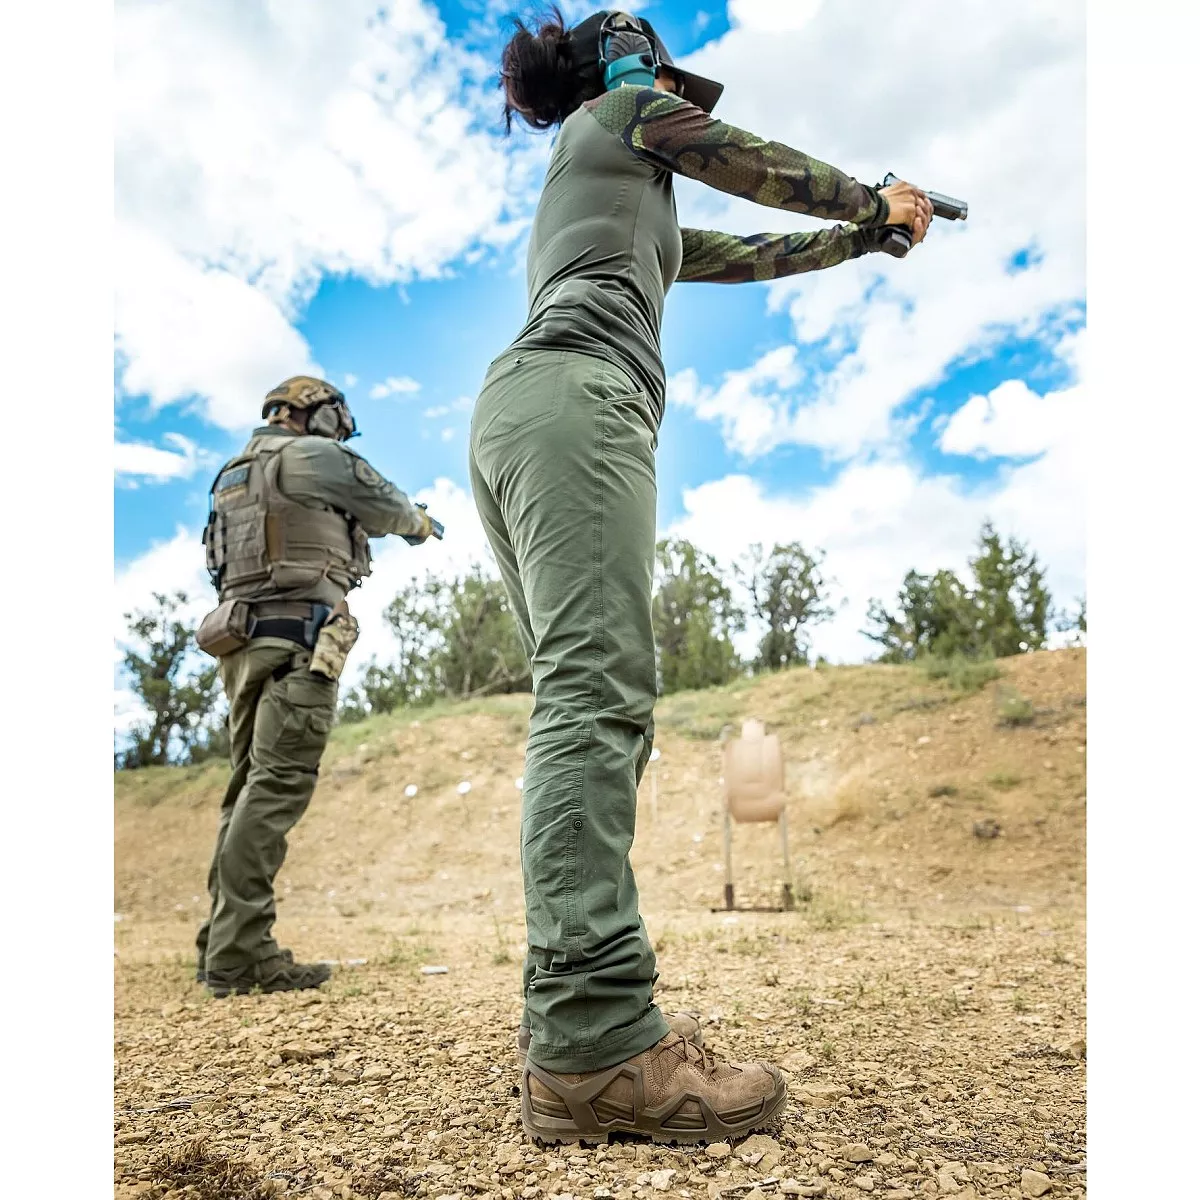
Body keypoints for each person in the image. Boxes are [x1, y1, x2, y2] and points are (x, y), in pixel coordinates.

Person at [472, 9, 934, 1143]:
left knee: (584, 699)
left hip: (533, 412)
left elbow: (745, 248)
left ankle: (576, 1024)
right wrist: (874, 199)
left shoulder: (614, 192)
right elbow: (756, 165)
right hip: (579, 402)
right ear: (629, 69)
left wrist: (863, 240)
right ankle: (593, 1046)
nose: (673, 90)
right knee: (595, 701)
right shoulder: (622, 114)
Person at [194, 376, 442, 997]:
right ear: (318, 413)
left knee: (245, 789)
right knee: (276, 786)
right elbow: (388, 508)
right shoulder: (315, 456)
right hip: (296, 642)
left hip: (242, 642)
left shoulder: (233, 471)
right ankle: (242, 954)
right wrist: (422, 525)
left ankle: (221, 940)